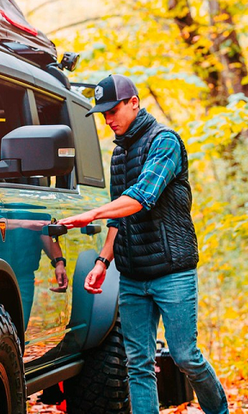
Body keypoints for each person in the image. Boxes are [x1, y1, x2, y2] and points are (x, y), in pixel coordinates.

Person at [59, 74, 228, 413]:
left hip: (172, 271)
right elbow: (119, 217)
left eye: (113, 110)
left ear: (134, 103)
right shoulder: (119, 155)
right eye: (103, 114)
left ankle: (219, 410)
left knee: (185, 357)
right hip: (133, 275)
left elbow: (142, 197)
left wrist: (89, 214)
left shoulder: (164, 142)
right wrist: (103, 262)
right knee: (137, 363)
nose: (108, 119)